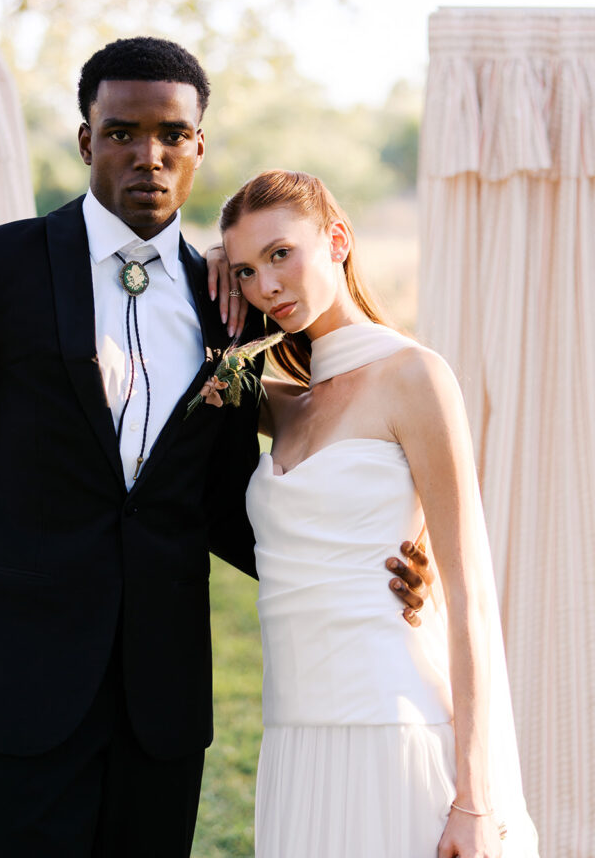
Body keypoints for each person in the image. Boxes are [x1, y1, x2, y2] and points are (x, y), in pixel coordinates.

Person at [0, 38, 428, 858]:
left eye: (172, 134)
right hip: (18, 675)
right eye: (123, 131)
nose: (149, 155)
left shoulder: (227, 303)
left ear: (199, 145)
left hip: (162, 686)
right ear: (85, 140)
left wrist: (368, 565)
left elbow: (222, 495)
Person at [219, 169, 539, 858]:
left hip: (392, 731)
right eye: (245, 270)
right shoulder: (287, 403)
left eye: (282, 253)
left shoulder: (414, 376)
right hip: (295, 740)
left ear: (337, 239)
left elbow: (471, 596)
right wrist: (208, 276)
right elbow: (205, 376)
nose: (266, 285)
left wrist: (475, 799)